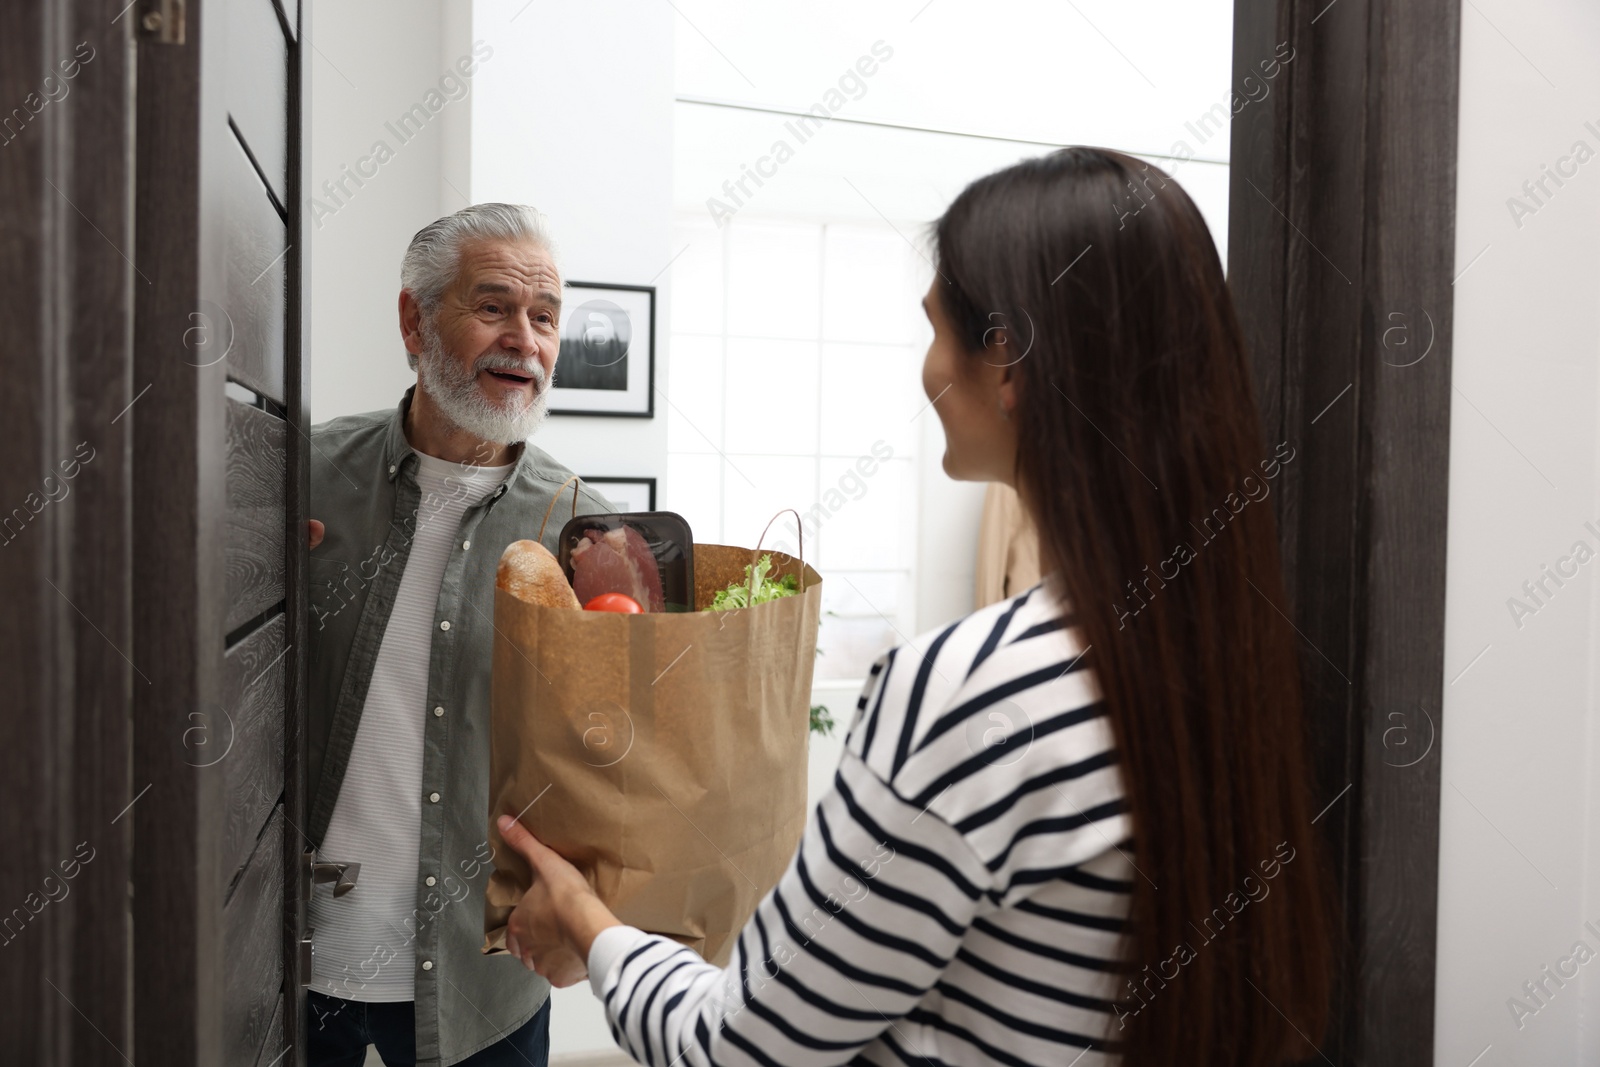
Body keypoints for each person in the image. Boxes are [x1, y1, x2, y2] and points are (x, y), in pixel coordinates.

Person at [493, 149, 1335, 1066]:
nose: (928, 368)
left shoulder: (970, 692)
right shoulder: (1230, 653)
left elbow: (741, 1046)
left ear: (1007, 357)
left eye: (937, 329)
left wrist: (588, 919)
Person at [304, 203, 615, 1066]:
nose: (525, 340)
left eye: (545, 318)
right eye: (494, 308)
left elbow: (614, 758)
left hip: (481, 978)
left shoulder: (585, 531)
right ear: (414, 319)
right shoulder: (306, 477)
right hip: (289, 959)